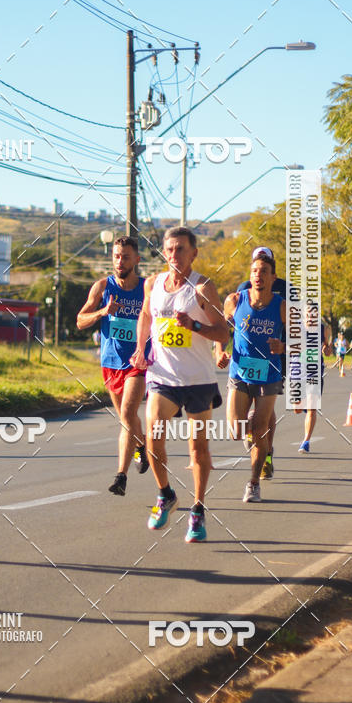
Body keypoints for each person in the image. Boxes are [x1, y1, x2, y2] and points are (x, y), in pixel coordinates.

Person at [130, 226, 228, 542]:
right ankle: (166, 494)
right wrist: (140, 347)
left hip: (198, 380)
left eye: (181, 249)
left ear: (193, 253)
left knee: (197, 448)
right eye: (169, 249)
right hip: (163, 377)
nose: (174, 255)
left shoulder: (203, 288)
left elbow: (223, 333)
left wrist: (195, 324)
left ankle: (198, 510)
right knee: (153, 435)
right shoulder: (153, 284)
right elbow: (145, 315)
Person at [77, 237, 150, 496]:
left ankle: (121, 476)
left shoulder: (146, 289)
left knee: (128, 416)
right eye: (117, 256)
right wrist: (102, 312)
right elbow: (80, 321)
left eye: (126, 256)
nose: (120, 261)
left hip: (138, 363)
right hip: (110, 363)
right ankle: (142, 446)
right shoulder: (102, 287)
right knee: (126, 418)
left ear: (137, 260)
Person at [216, 245, 286, 481]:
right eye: (255, 268)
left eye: (264, 269)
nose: (259, 273)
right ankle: (260, 439)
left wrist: (284, 347)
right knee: (238, 429)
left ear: (273, 273)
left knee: (263, 421)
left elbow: (304, 335)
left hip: (273, 361)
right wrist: (219, 351)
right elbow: (222, 328)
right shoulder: (238, 296)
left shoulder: (285, 293)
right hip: (243, 365)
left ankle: (263, 456)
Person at [296, 320, 331, 452]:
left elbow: (327, 350)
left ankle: (306, 441)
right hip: (298, 371)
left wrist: (327, 349)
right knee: (298, 408)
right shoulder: (296, 326)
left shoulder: (322, 328)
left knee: (311, 408)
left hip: (314, 372)